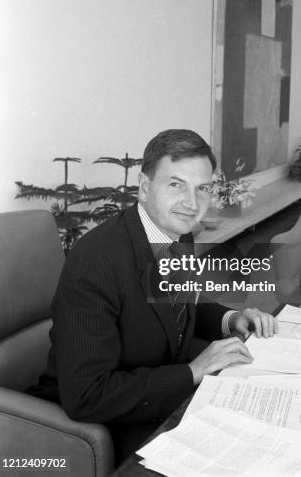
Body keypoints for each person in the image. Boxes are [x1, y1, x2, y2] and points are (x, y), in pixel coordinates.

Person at [30, 129, 277, 461]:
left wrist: (230, 318)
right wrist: (194, 370)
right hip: (108, 423)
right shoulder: (97, 260)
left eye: (202, 188)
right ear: (145, 188)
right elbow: (88, 395)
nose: (192, 204)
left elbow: (180, 303)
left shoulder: (177, 233)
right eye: (176, 184)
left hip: (163, 391)